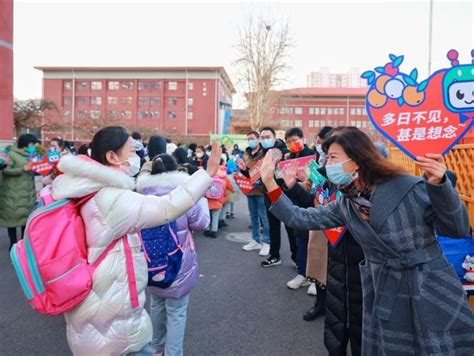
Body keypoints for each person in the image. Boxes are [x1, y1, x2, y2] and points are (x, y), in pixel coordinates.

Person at [260, 126, 474, 355]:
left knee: (435, 347)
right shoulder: (346, 203)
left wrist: (440, 184)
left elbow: (456, 228)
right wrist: (270, 183)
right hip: (383, 288)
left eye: (333, 157)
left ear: (357, 159)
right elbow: (298, 217)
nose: (327, 165)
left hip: (429, 285)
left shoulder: (407, 185)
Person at [50, 126, 221, 355]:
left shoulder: (86, 189)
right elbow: (166, 206)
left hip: (93, 293)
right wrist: (206, 174)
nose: (137, 157)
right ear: (112, 157)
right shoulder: (112, 198)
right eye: (131, 151)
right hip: (111, 305)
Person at [136, 154, 210, 356]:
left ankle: (156, 349)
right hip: (178, 263)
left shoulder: (140, 196)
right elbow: (202, 224)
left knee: (157, 304)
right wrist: (200, 197)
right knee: (177, 311)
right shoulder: (184, 195)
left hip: (149, 263)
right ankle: (173, 353)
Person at [282, 127, 315, 290]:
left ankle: (315, 277)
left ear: (303, 139)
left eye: (295, 140)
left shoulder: (312, 156)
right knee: (300, 239)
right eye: (288, 141)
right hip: (295, 202)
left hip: (312, 203)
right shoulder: (288, 158)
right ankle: (302, 273)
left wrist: (308, 179)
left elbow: (318, 183)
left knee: (314, 242)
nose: (292, 144)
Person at [258, 127, 290, 268]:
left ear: (274, 137)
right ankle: (274, 255)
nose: (265, 140)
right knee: (273, 227)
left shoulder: (284, 151)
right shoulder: (264, 153)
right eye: (262, 137)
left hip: (284, 194)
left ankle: (296, 258)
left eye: (267, 136)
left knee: (291, 226)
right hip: (268, 194)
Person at [0, 133, 38, 251]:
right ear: (25, 144)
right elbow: (6, 171)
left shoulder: (31, 155)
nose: (33, 146)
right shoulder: (12, 154)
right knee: (11, 219)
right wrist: (22, 169)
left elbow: (33, 170)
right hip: (13, 193)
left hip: (27, 192)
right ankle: (13, 244)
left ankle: (23, 243)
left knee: (25, 219)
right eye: (31, 144)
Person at [236, 131, 271, 256]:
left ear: (258, 139)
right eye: (248, 139)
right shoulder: (246, 153)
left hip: (262, 190)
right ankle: (256, 240)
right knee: (253, 217)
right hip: (250, 190)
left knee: (264, 217)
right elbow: (248, 173)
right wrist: (242, 169)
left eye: (253, 138)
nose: (250, 141)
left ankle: (267, 242)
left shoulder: (265, 152)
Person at [204, 160, 234, 238]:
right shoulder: (224, 179)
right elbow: (227, 189)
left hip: (208, 202)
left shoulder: (209, 178)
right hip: (218, 202)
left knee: (208, 216)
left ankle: (207, 229)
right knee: (215, 217)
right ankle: (214, 231)